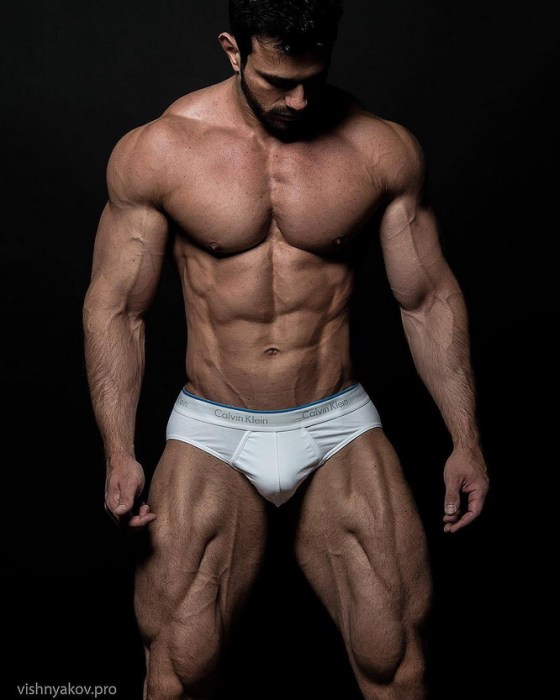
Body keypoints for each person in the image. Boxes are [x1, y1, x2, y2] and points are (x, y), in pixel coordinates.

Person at [83, 0, 489, 697]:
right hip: (214, 428)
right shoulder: (159, 151)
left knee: (394, 660)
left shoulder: (379, 149)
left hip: (336, 423)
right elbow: (117, 309)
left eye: (313, 79)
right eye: (277, 81)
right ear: (233, 50)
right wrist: (118, 451)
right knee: (178, 669)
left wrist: (466, 438)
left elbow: (426, 299)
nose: (299, 101)